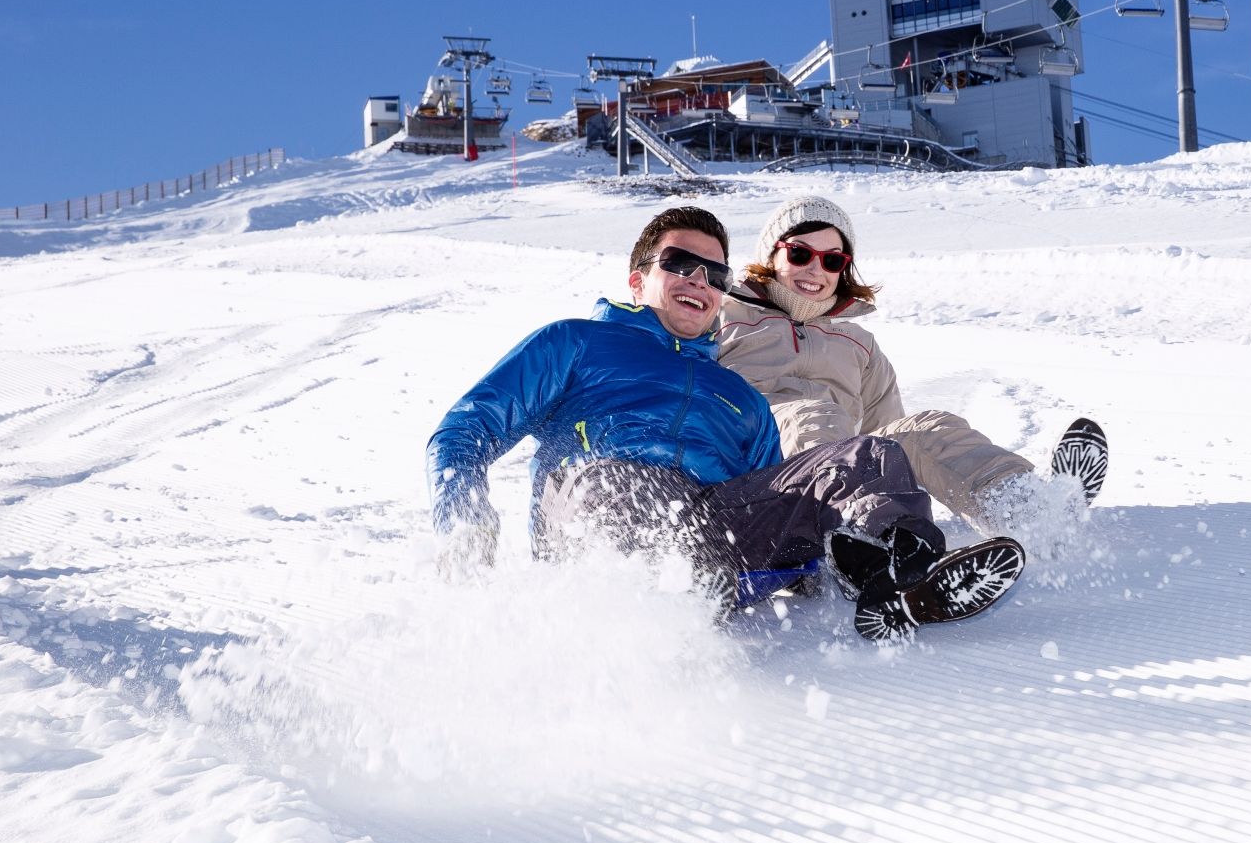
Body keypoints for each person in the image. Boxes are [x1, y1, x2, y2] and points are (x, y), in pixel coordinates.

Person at [426, 205, 1023, 639]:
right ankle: (629, 623)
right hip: (600, 521)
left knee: (863, 457)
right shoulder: (576, 344)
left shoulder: (738, 394)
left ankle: (898, 576)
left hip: (710, 538)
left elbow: (783, 497)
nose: (698, 281)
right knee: (620, 481)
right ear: (638, 279)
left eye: (714, 275)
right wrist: (464, 521)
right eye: (680, 263)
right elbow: (464, 431)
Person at [715, 196, 1106, 550]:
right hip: (755, 474)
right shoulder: (721, 316)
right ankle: (864, 545)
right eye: (801, 253)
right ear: (771, 256)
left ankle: (1028, 508)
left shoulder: (858, 343)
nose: (816, 269)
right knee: (816, 416)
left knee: (924, 430)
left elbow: (886, 441)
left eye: (833, 260)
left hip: (838, 464)